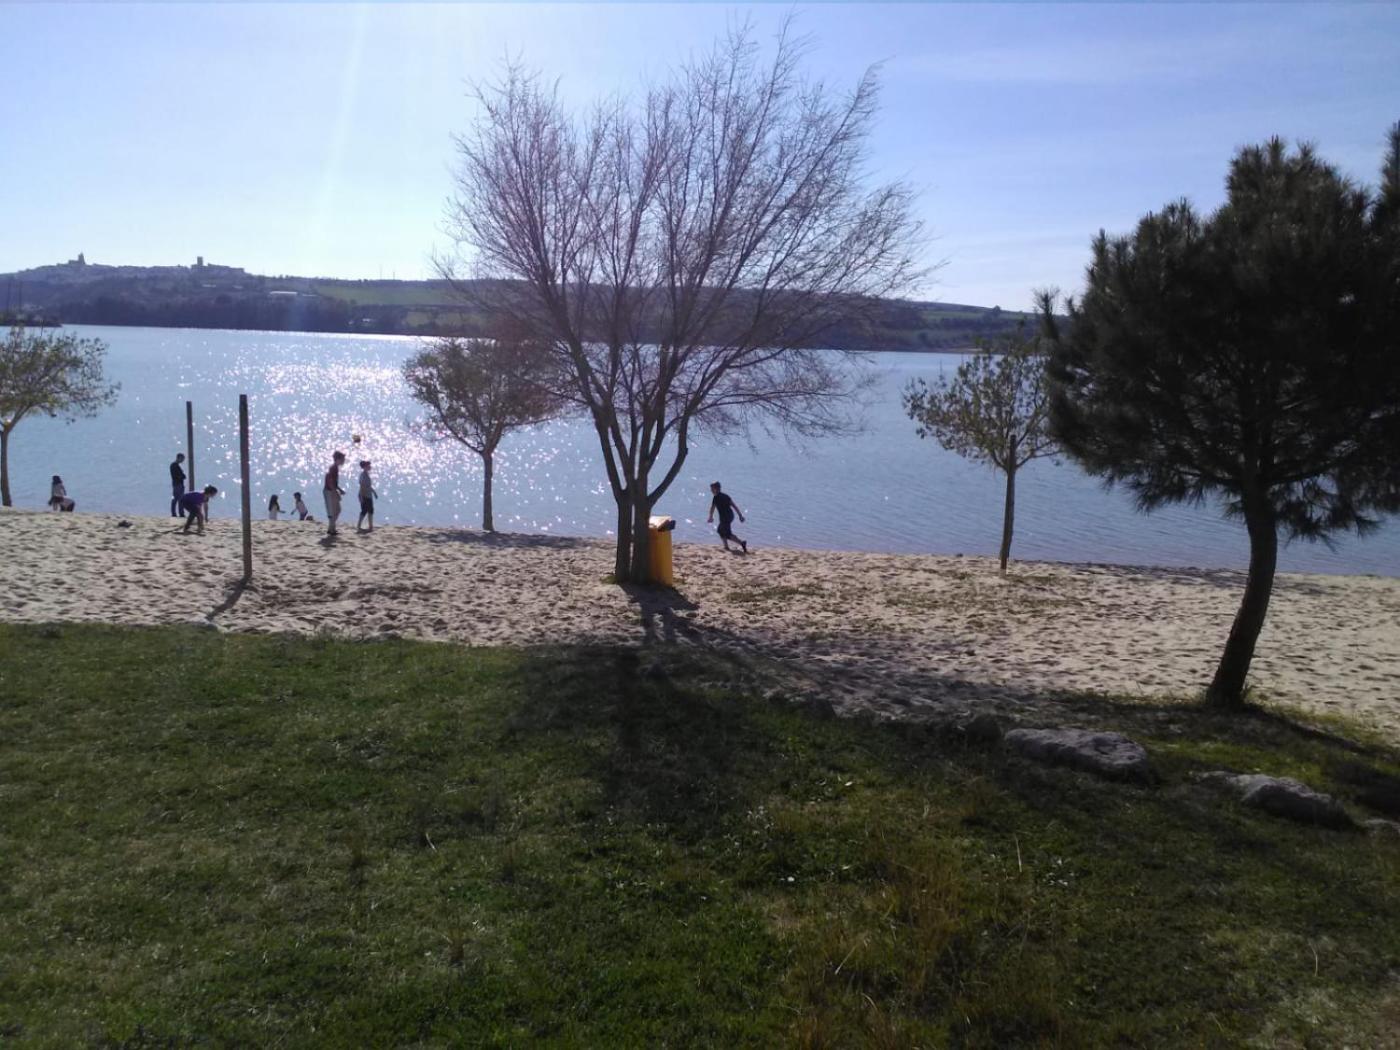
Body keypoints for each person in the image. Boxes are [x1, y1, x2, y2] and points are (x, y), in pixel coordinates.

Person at [707, 481, 748, 553]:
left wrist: (710, 517)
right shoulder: (725, 496)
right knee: (721, 531)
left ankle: (741, 543)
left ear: (716, 489)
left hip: (725, 517)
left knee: (726, 533)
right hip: (730, 516)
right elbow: (734, 506)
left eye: (712, 489)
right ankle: (726, 546)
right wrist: (740, 516)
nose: (711, 490)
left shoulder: (716, 498)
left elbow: (712, 508)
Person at [323, 450, 347, 536]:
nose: (344, 461)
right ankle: (331, 529)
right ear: (338, 459)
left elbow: (334, 482)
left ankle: (331, 528)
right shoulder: (333, 468)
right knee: (334, 511)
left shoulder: (335, 468)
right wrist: (335, 492)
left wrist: (340, 490)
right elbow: (330, 481)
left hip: (331, 490)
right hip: (329, 491)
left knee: (336, 510)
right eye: (343, 459)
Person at [356, 460, 377, 533]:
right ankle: (358, 526)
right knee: (364, 511)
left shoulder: (367, 474)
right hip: (364, 495)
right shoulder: (363, 475)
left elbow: (368, 486)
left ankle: (370, 527)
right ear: (365, 467)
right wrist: (361, 497)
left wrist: (374, 492)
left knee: (371, 510)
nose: (370, 466)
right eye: (368, 465)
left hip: (369, 495)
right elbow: (362, 487)